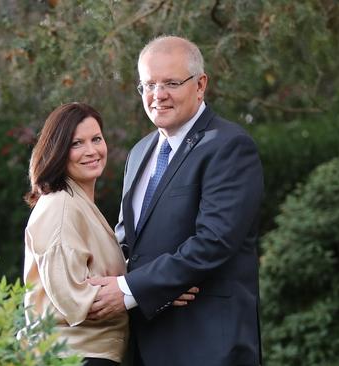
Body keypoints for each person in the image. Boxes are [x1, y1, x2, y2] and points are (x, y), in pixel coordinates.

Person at [87, 36, 264, 366]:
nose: (158, 95)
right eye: (149, 84)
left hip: (206, 345)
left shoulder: (229, 146)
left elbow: (214, 241)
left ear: (200, 85)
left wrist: (134, 288)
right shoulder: (140, 152)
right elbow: (129, 244)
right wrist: (150, 287)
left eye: (171, 83)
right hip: (142, 342)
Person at [22, 102, 128, 366]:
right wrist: (145, 290)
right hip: (71, 356)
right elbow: (74, 300)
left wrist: (159, 283)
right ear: (58, 151)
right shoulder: (60, 206)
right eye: (76, 143)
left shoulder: (80, 205)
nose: (91, 151)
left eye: (96, 139)